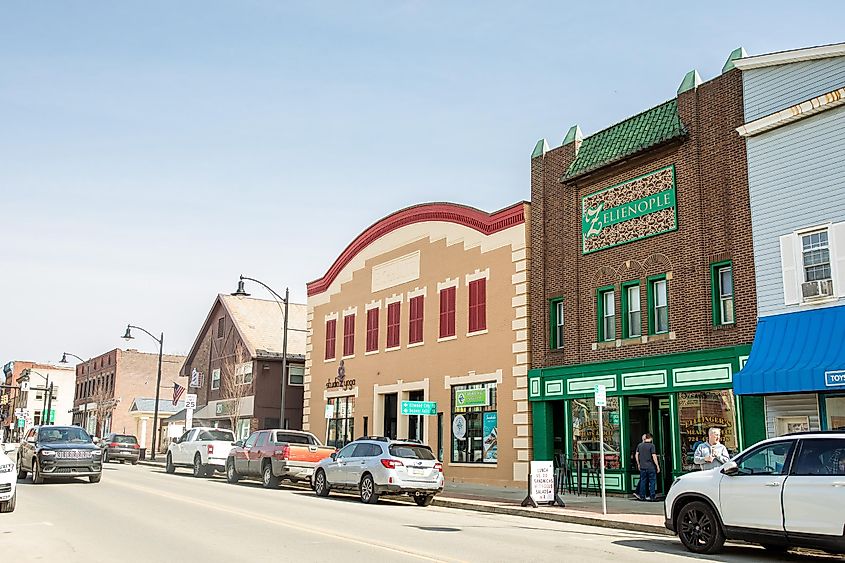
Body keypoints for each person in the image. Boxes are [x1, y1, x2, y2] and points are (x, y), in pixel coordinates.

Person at [634, 433, 660, 501]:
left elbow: (636, 455)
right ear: (651, 438)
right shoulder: (652, 446)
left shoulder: (640, 445)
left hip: (642, 466)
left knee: (643, 481)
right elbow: (653, 456)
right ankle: (652, 496)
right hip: (651, 467)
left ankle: (642, 496)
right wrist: (657, 465)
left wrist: (638, 463)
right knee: (652, 482)